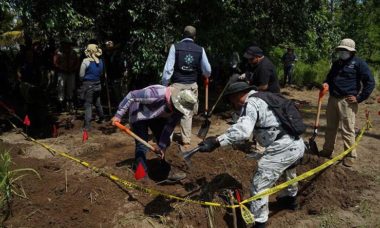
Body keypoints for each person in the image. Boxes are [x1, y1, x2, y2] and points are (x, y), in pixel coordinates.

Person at [195, 81, 305, 227]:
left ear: (237, 96)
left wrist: (216, 141)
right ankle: (289, 199)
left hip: (283, 146)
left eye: (232, 101)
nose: (232, 105)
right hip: (295, 143)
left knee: (259, 185)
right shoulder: (264, 97)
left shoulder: (251, 103)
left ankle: (259, 222)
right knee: (289, 169)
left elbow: (243, 131)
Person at [111, 85, 197, 181]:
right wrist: (118, 115)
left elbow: (168, 128)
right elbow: (132, 95)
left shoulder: (178, 111)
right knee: (142, 145)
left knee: (165, 143)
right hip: (139, 113)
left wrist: (162, 146)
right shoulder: (157, 94)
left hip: (157, 116)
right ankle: (141, 174)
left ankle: (165, 171)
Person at [320, 38, 375, 167]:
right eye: (341, 50)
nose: (342, 52)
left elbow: (370, 82)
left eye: (345, 50)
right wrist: (326, 83)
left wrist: (360, 98)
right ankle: (327, 150)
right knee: (330, 127)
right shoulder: (337, 63)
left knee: (347, 129)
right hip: (333, 99)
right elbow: (329, 77)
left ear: (351, 51)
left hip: (347, 102)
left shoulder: (359, 64)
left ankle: (350, 155)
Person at [161, 25, 212, 149]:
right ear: (194, 37)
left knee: (172, 111)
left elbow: (168, 69)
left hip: (177, 85)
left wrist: (165, 84)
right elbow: (207, 70)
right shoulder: (200, 49)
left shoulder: (175, 47)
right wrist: (206, 75)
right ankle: (186, 141)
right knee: (187, 113)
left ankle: (167, 139)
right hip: (191, 85)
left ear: (183, 35)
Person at [78, 44, 105, 131]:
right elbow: (101, 73)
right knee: (97, 102)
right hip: (98, 84)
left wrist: (83, 80)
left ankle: (87, 126)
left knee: (88, 104)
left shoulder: (86, 61)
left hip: (89, 85)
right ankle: (102, 118)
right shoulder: (100, 61)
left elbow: (81, 75)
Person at [53, 38, 80, 112]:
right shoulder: (58, 52)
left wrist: (73, 69)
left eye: (68, 44)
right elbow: (55, 63)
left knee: (71, 89)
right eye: (64, 44)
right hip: (62, 73)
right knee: (60, 88)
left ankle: (70, 105)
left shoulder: (73, 52)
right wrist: (62, 68)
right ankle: (60, 105)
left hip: (71, 73)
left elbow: (77, 62)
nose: (66, 45)